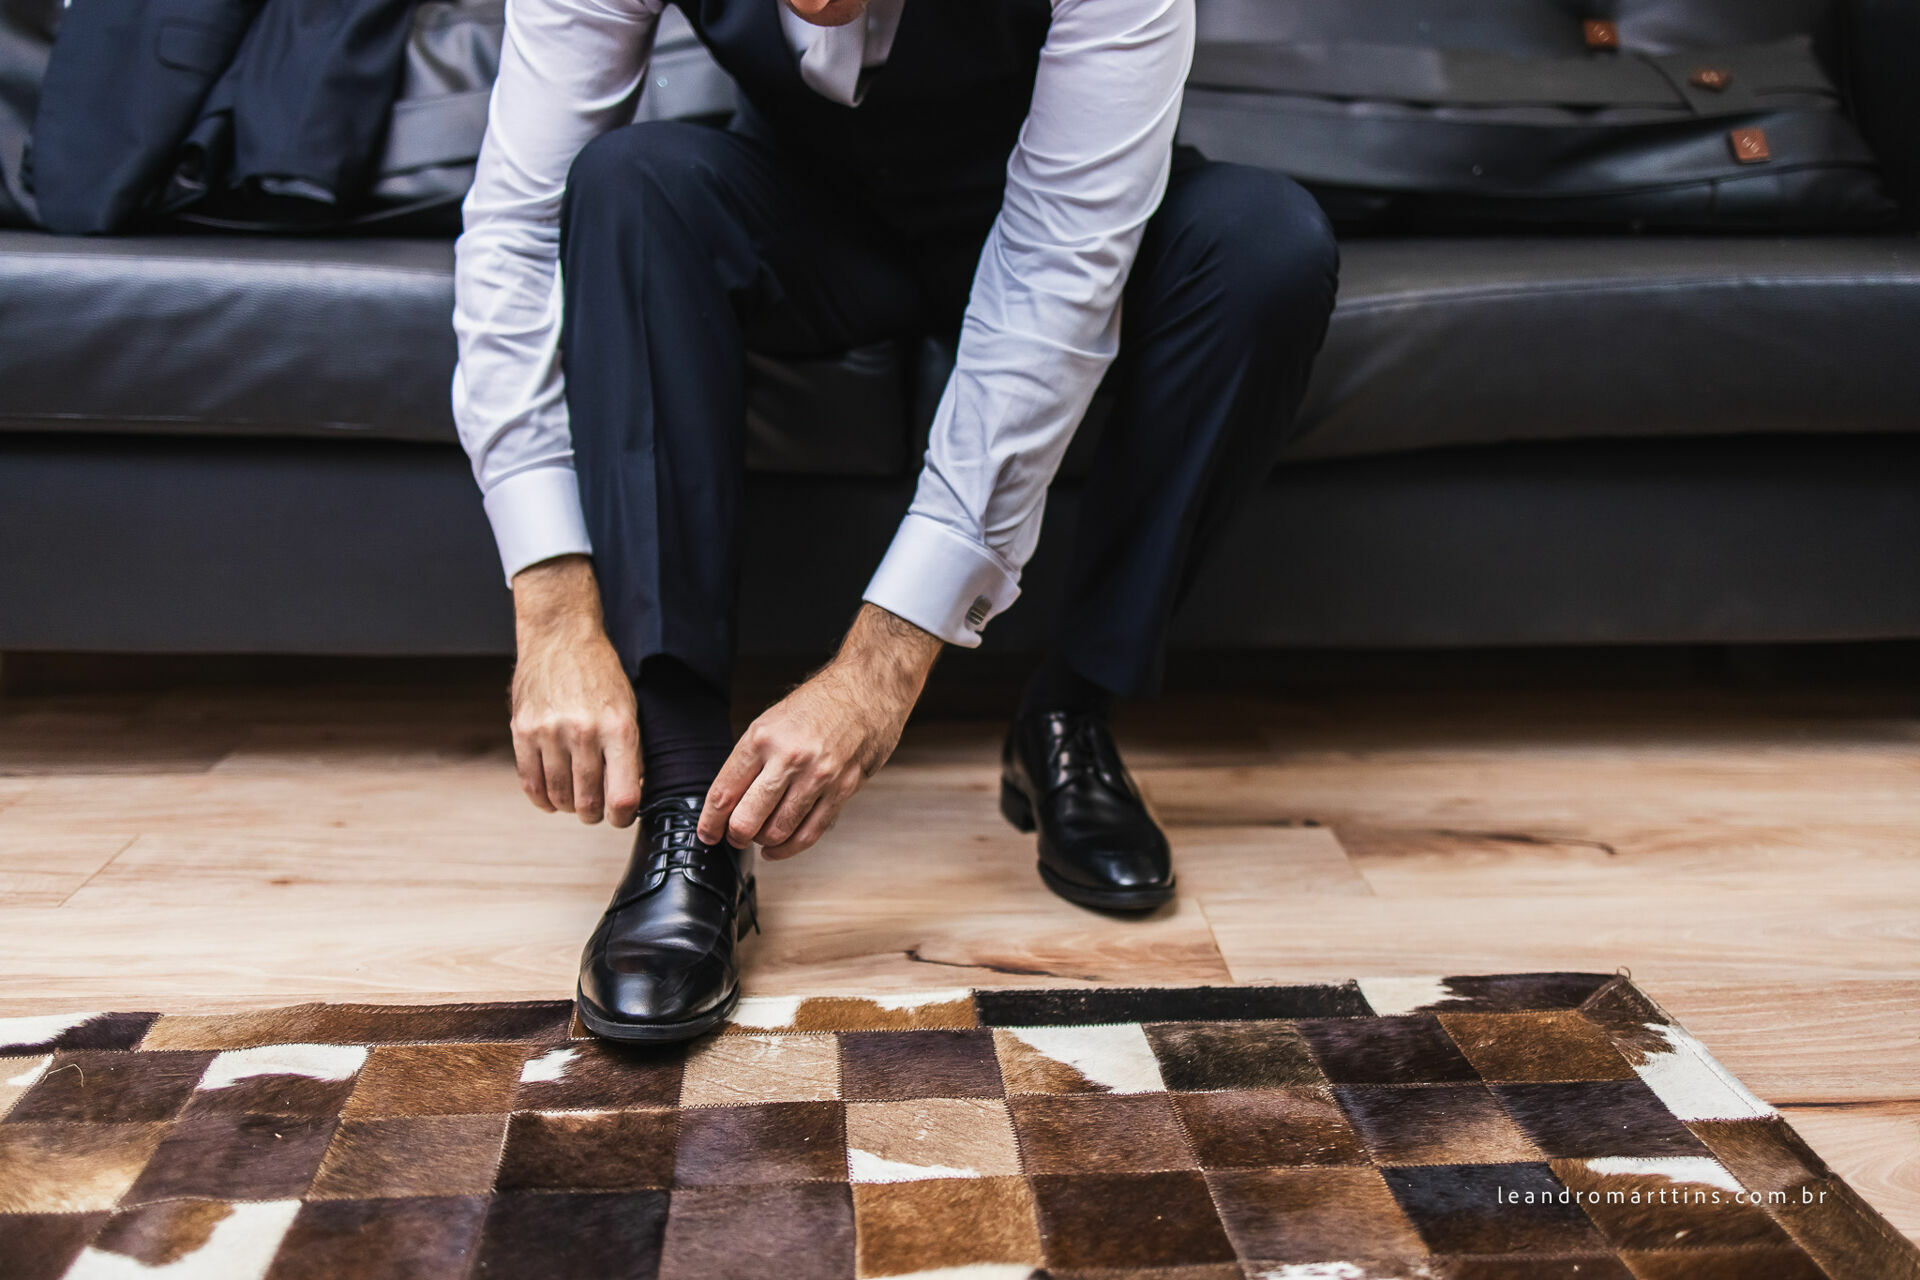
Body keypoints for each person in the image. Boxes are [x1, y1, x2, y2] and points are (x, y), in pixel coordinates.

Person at [452, 0, 1339, 1042]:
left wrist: (881, 664)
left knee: (1265, 243)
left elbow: (1053, 283)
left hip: (1053, 206)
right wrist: (553, 600)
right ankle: (688, 807)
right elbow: (517, 223)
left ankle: (1068, 717)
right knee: (628, 185)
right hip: (814, 212)